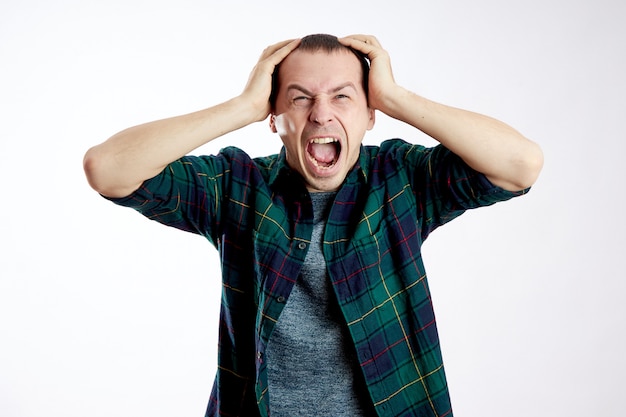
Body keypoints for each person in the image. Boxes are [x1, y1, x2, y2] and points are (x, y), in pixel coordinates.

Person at [83, 34, 543, 417]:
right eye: (300, 98)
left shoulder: (399, 179)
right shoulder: (237, 186)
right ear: (275, 118)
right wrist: (241, 106)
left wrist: (397, 98)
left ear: (368, 115)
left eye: (343, 96)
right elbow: (108, 169)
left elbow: (520, 165)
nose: (322, 114)